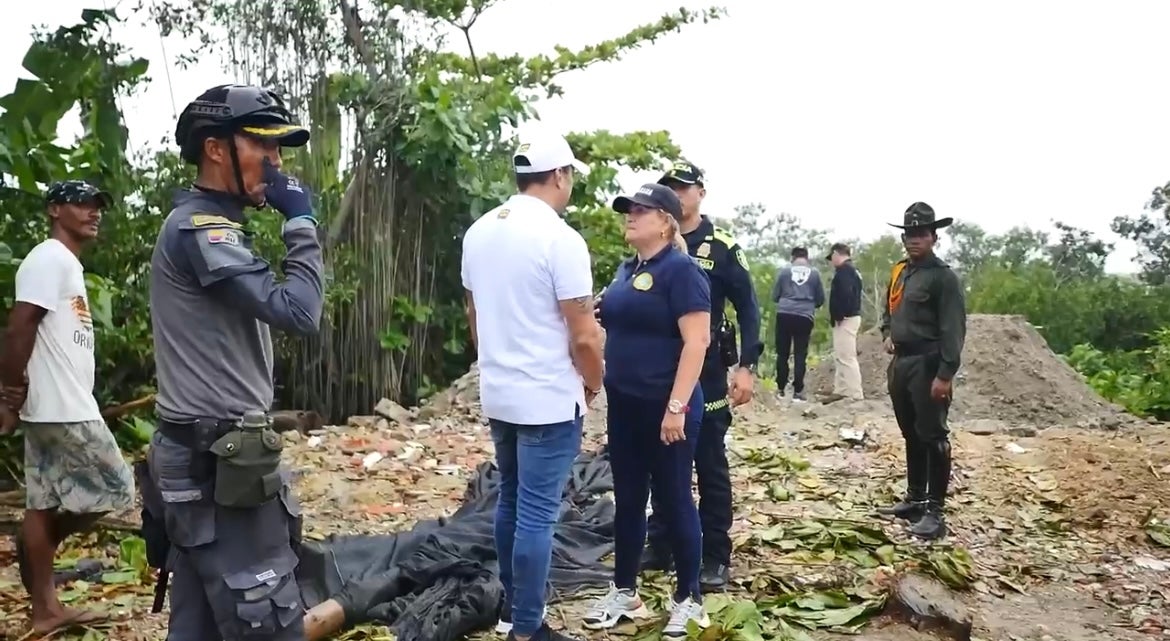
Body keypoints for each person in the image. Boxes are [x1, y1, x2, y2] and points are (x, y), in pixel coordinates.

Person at [144, 84, 324, 641]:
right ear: (216, 149)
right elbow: (299, 311)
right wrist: (301, 222)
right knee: (266, 617)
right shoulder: (201, 229)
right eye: (264, 148)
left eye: (281, 151)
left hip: (205, 455)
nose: (277, 166)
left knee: (200, 624)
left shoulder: (214, 227)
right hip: (216, 462)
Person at [460, 128, 602, 641]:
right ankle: (526, 627)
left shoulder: (479, 231)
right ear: (559, 175)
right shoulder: (560, 239)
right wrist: (593, 383)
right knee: (537, 512)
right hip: (546, 396)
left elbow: (474, 315)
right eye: (570, 177)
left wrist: (496, 362)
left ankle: (507, 612)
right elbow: (584, 335)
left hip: (500, 392)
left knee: (512, 499)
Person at [0, 180, 135, 636]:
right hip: (63, 408)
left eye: (98, 205)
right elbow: (20, 326)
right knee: (117, 487)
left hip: (59, 404)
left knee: (43, 505)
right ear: (55, 210)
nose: (93, 212)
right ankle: (37, 547)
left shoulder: (64, 264)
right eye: (81, 204)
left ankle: (46, 610)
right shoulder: (48, 257)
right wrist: (9, 391)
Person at [585, 183, 711, 638]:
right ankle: (624, 591)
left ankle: (690, 598)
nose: (630, 216)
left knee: (676, 498)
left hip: (668, 408)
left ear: (665, 221)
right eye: (628, 210)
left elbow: (697, 342)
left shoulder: (682, 271)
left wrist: (676, 406)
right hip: (626, 406)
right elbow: (615, 318)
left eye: (641, 211)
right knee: (629, 500)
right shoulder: (625, 269)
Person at [646, 160, 761, 591]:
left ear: (700, 193)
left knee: (708, 463)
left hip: (707, 373)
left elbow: (749, 309)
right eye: (669, 188)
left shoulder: (721, 247)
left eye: (684, 187)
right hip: (660, 369)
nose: (677, 195)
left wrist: (747, 366)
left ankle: (715, 555)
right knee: (660, 458)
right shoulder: (653, 242)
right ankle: (661, 543)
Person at [878, 202, 967, 540]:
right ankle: (915, 498)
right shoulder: (901, 271)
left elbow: (953, 329)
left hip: (929, 362)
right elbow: (889, 308)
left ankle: (936, 511)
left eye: (921, 234)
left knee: (934, 435)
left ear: (933, 237)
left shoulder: (943, 278)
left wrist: (945, 374)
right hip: (902, 362)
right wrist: (888, 333)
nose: (914, 239)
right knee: (911, 433)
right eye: (909, 234)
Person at [770, 247, 825, 401]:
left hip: (784, 313)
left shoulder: (784, 271)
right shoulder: (814, 273)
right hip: (804, 316)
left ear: (792, 257)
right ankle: (798, 391)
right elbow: (820, 299)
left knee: (782, 353)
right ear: (807, 257)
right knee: (801, 353)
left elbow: (775, 296)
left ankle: (780, 388)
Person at [826, 242, 864, 402]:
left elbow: (845, 295)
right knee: (841, 355)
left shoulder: (845, 271)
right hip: (848, 317)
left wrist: (839, 315)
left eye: (832, 257)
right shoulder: (850, 270)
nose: (831, 261)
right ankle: (841, 389)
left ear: (836, 254)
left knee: (847, 357)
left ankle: (854, 393)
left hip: (846, 318)